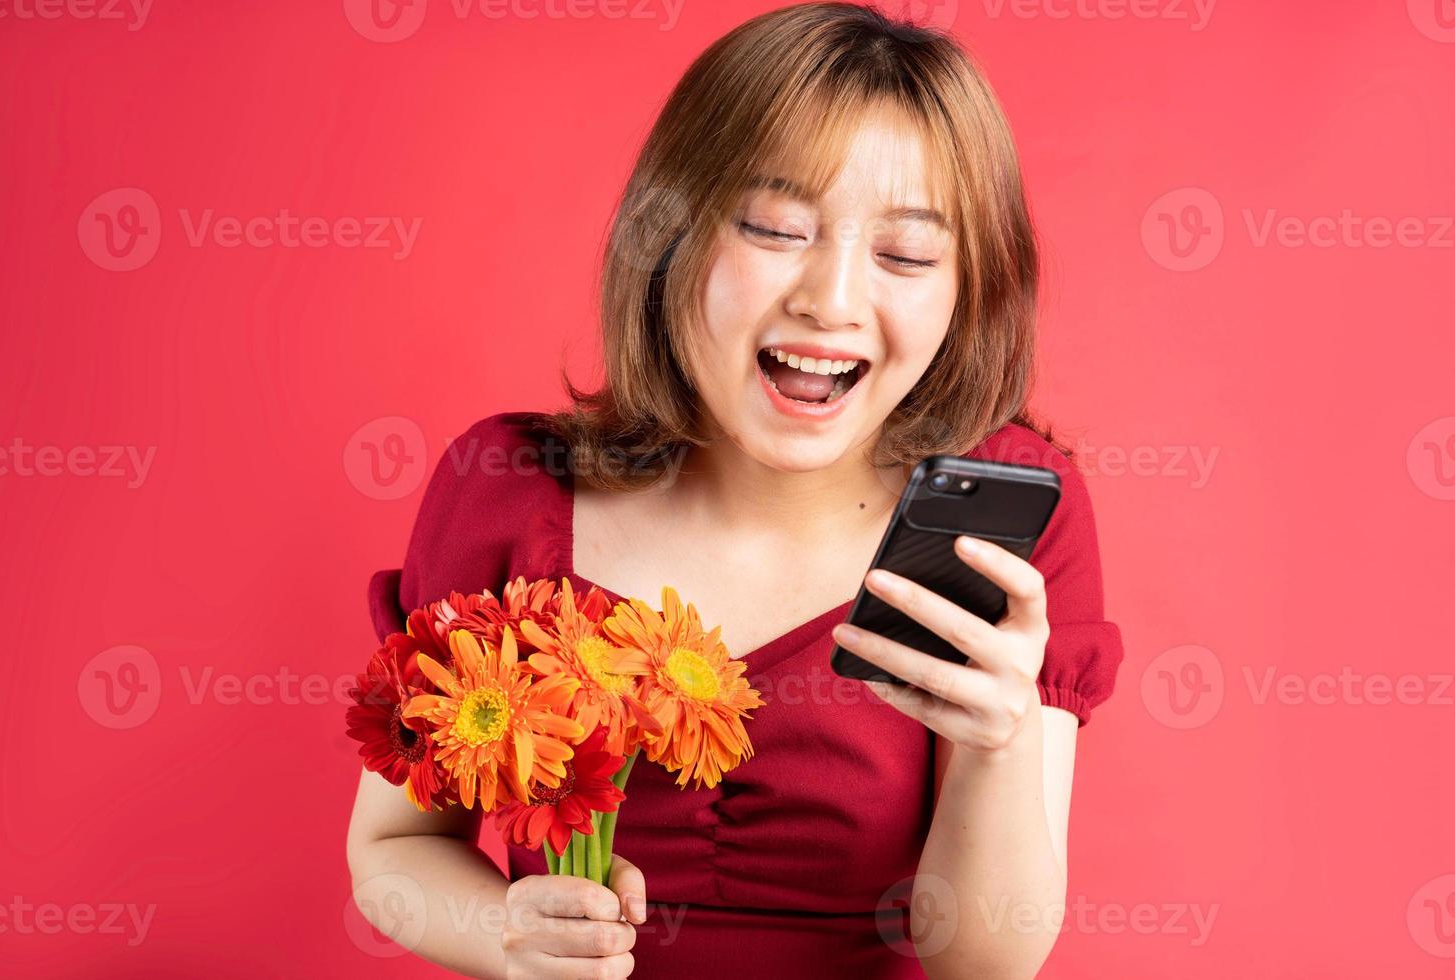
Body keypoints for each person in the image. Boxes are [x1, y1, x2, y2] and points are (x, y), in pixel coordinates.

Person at [347, 4, 1124, 977]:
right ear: (665, 237)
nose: (831, 299)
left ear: (969, 288)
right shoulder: (502, 488)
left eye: (908, 254)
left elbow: (984, 960)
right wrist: (507, 933)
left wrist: (1001, 745)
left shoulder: (1008, 518)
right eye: (773, 227)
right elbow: (393, 847)